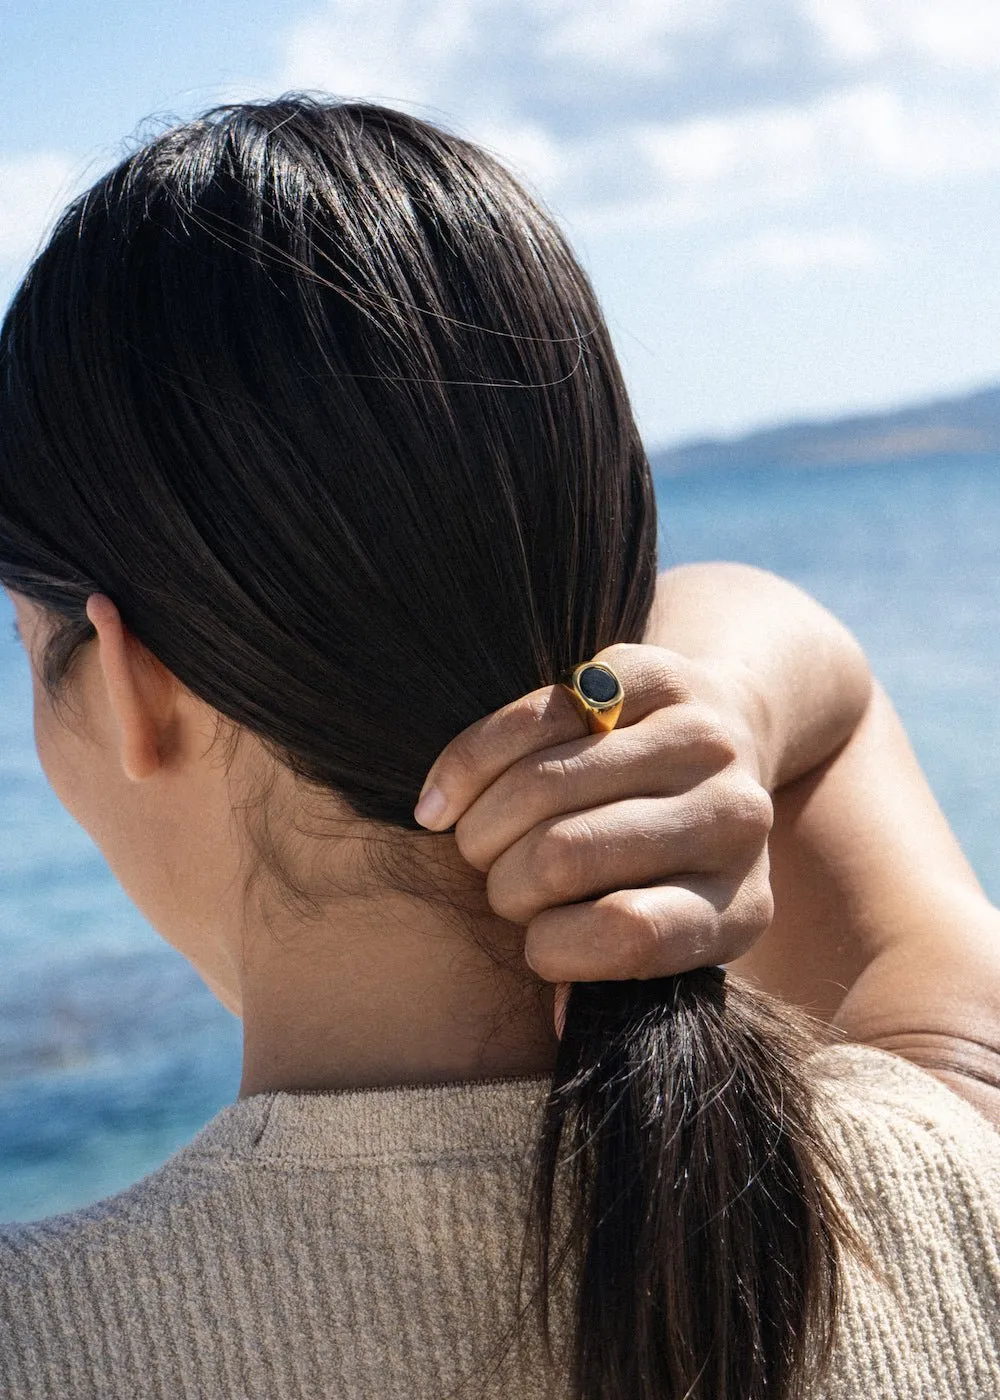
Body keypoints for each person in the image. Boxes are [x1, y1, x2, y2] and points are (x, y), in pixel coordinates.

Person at [0, 97, 997, 1400]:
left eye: (31, 647)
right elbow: (837, 701)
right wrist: (705, 714)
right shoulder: (945, 1182)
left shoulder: (46, 1338)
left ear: (138, 684)